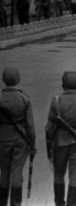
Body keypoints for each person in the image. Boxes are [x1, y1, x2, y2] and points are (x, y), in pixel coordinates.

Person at [45, 71, 76, 206]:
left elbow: (49, 127)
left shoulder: (55, 101)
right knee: (75, 176)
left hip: (60, 142)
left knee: (58, 173)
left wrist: (49, 144)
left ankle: (59, 203)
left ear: (63, 85)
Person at [0, 67, 36, 206]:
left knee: (4, 172)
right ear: (18, 79)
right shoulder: (24, 98)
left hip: (2, 138)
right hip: (20, 140)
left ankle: (2, 201)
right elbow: (30, 125)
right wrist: (32, 144)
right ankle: (16, 203)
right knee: (17, 172)